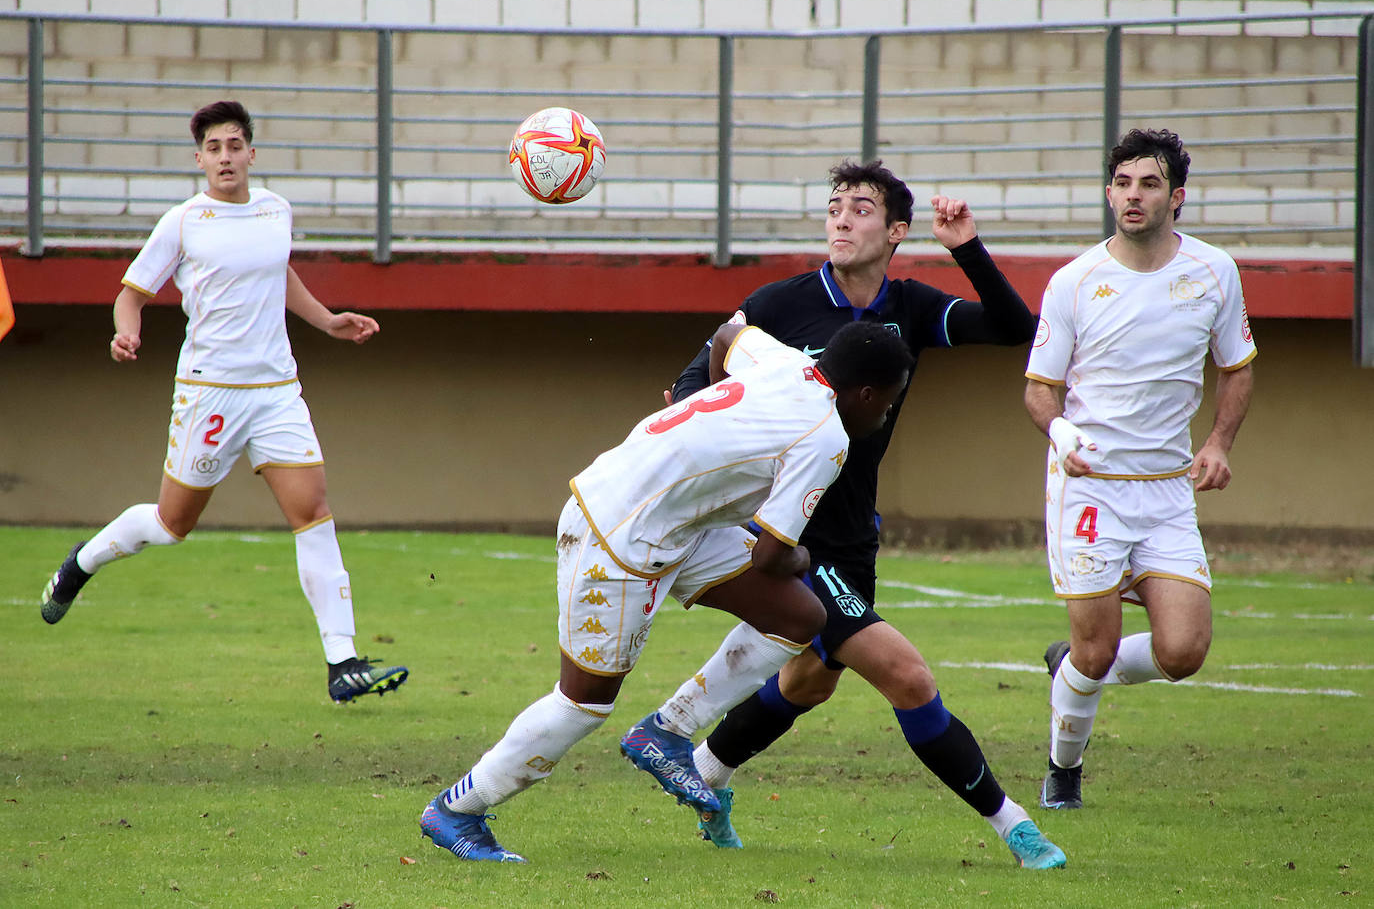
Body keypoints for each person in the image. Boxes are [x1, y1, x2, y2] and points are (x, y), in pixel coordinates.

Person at [632, 160, 1066, 870]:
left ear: (896, 230)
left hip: (853, 533)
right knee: (907, 676)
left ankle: (707, 773)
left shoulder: (914, 306)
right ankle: (1015, 827)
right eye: (834, 207)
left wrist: (966, 249)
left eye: (860, 209)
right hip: (786, 530)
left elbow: (1015, 327)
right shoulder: (778, 303)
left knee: (811, 678)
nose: (840, 219)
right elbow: (693, 378)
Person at [418, 320, 914, 863]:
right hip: (618, 534)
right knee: (583, 704)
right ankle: (457, 810)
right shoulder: (828, 438)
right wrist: (805, 554)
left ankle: (667, 730)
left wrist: (698, 411)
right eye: (889, 402)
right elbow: (773, 556)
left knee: (799, 616)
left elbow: (728, 335)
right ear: (865, 393)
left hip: (670, 520)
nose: (887, 414)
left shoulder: (788, 362)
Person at [38, 100, 409, 705]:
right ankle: (82, 563)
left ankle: (342, 662)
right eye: (214, 148)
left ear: (251, 154)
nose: (226, 157)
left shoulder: (275, 210)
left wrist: (326, 321)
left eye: (235, 146)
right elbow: (131, 294)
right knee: (170, 524)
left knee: (312, 511)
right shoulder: (183, 222)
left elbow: (277, 273)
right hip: (210, 391)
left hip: (276, 390)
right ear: (200, 160)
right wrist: (125, 330)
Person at [1024, 128, 1256, 809]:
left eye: (1149, 183)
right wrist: (1063, 429)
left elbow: (1236, 367)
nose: (1133, 195)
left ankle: (1066, 670)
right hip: (1088, 488)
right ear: (1108, 192)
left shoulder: (1215, 272)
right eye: (1122, 182)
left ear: (1176, 197)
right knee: (1096, 654)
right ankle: (1064, 770)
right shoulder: (1074, 281)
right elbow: (1039, 387)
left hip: (1166, 491)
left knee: (1183, 651)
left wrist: (1217, 444)